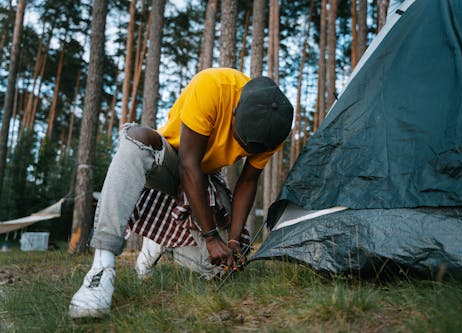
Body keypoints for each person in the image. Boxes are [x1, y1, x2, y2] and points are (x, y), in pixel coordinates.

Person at [68, 67, 294, 318]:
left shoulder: (274, 126)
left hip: (208, 175)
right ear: (234, 111)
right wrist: (210, 237)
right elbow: (188, 166)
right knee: (136, 140)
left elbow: (248, 182)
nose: (241, 149)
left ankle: (163, 244)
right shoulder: (213, 86)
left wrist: (231, 240)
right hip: (173, 160)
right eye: (240, 139)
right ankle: (101, 269)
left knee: (224, 268)